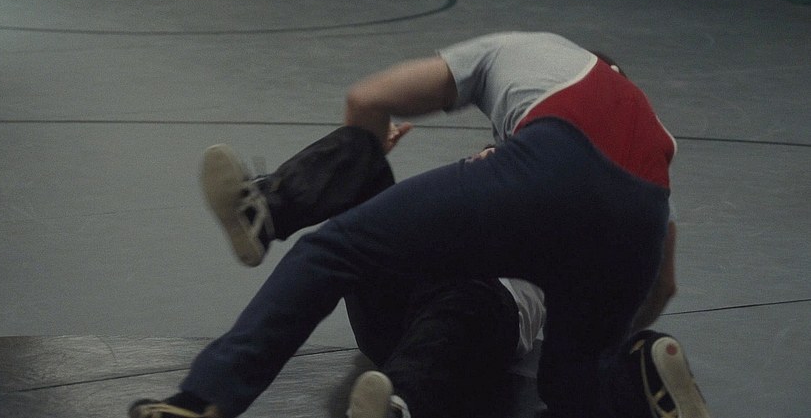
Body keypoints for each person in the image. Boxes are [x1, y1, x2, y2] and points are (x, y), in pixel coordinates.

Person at [129, 31, 711, 418]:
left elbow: (367, 96)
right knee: (570, 386)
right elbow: (662, 286)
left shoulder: (527, 74)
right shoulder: (648, 172)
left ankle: (206, 396)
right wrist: (609, 336)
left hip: (480, 305)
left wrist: (364, 142)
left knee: (339, 254)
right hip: (434, 290)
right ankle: (634, 377)